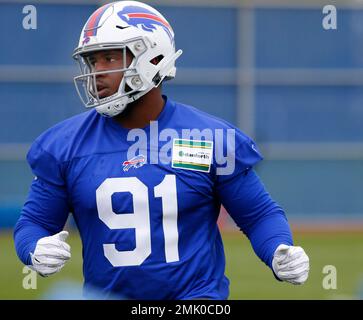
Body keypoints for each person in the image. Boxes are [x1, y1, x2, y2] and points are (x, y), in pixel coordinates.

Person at [14, 1, 309, 300]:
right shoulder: (65, 145)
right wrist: (34, 247)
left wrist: (278, 249)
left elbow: (258, 215)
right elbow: (35, 222)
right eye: (92, 61)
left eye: (109, 58)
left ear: (152, 57)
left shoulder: (208, 138)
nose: (97, 72)